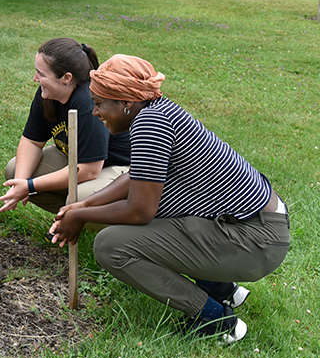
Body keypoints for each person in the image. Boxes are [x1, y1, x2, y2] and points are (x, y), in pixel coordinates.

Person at [50, 54, 290, 343]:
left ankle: (215, 319)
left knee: (111, 245)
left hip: (256, 240)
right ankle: (220, 287)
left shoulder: (151, 124)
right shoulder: (158, 112)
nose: (94, 113)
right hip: (254, 227)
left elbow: (139, 211)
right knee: (152, 228)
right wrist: (85, 204)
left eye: (100, 104)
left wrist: (81, 215)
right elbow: (136, 176)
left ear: (126, 103)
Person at [0, 38, 130, 216]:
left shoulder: (88, 102)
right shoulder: (47, 94)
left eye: (41, 74)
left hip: (122, 168)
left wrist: (30, 186)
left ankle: (84, 217)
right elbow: (32, 141)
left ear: (66, 78)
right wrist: (20, 183)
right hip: (82, 163)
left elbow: (90, 170)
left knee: (79, 197)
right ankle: (70, 217)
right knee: (15, 170)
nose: (35, 78)